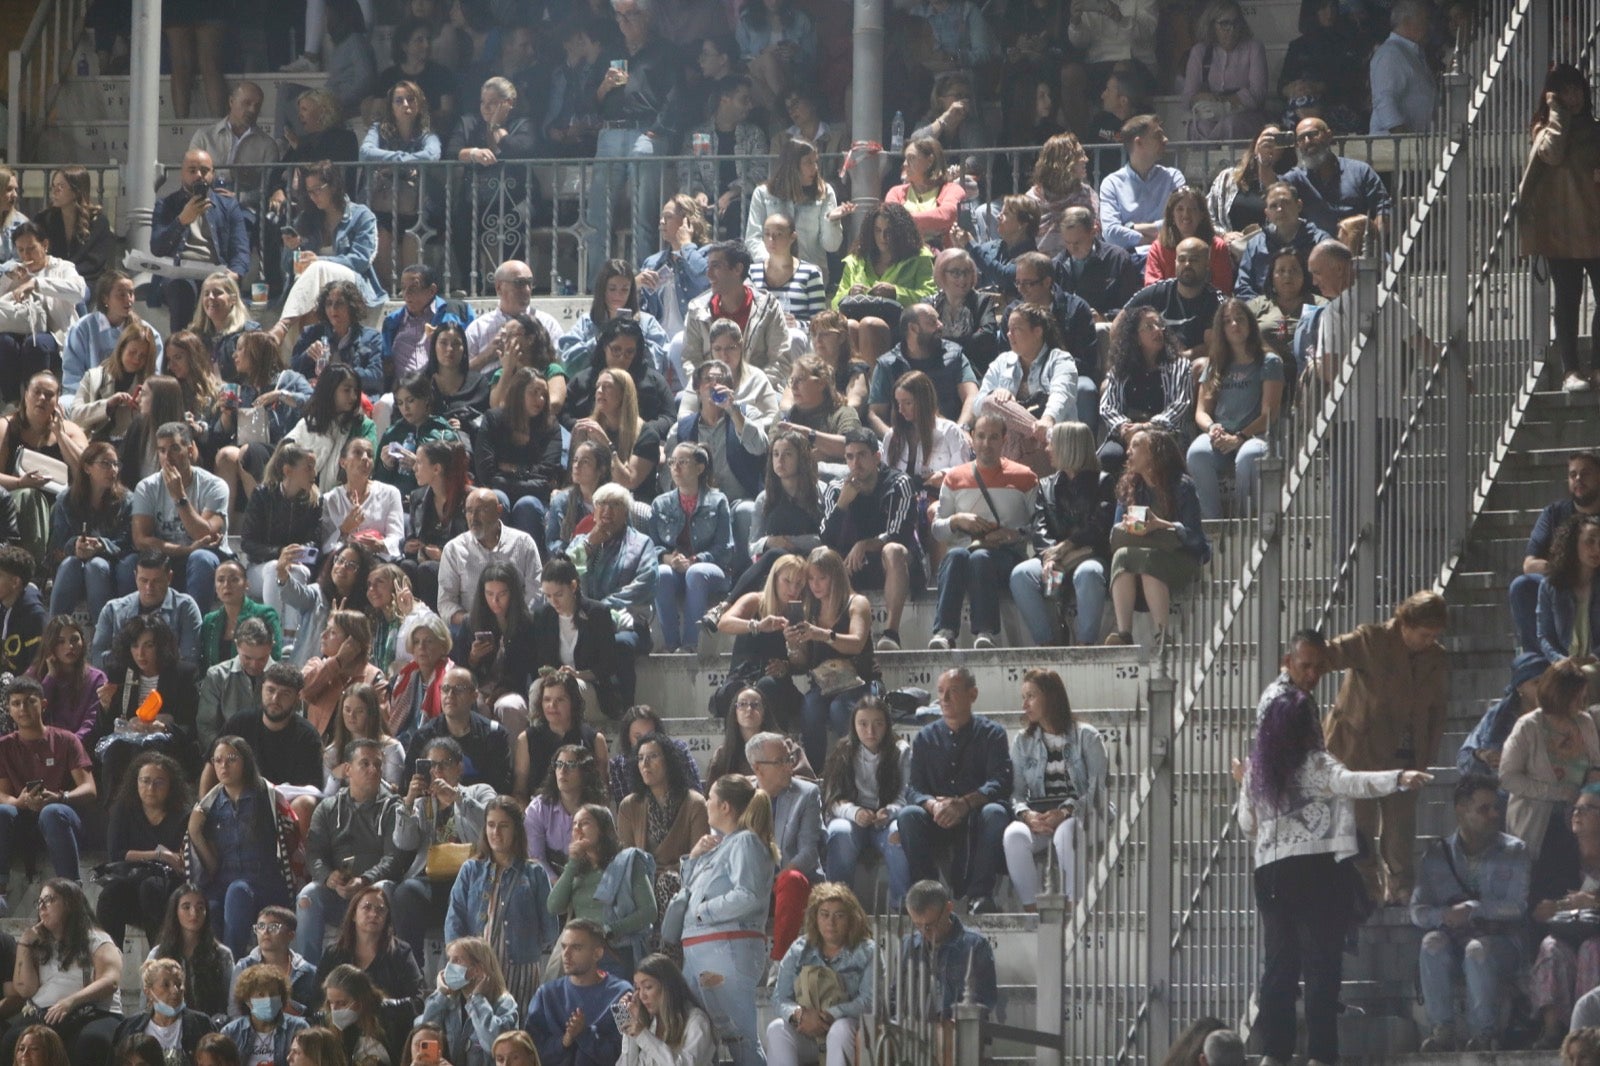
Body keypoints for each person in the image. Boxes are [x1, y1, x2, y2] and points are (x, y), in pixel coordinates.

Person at [1237, 687, 1431, 1066]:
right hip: (1317, 871)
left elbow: (1247, 824)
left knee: (1279, 965)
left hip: (1271, 874)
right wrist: (1399, 778)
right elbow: (1353, 782)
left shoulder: (1256, 770)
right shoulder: (1315, 763)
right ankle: (1320, 1055)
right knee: (1321, 964)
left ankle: (1275, 1053)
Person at [1322, 590, 1449, 902]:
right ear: (1404, 623)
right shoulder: (1372, 640)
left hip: (1406, 750)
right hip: (1359, 748)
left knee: (1401, 825)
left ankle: (1400, 885)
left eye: (1434, 635)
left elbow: (1437, 710)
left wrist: (1428, 754)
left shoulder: (1437, 658)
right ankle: (1367, 887)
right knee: (1361, 821)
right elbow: (1330, 654)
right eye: (1423, 634)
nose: (1429, 641)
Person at [1409, 774, 1529, 1053]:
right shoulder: (1436, 855)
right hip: (1452, 936)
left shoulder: (1514, 851)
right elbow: (1417, 910)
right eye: (1483, 809)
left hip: (1502, 942)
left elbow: (1519, 906)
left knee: (1477, 950)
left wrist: (1475, 910)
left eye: (1495, 807)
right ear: (1461, 810)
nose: (1493, 815)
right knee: (1431, 943)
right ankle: (1441, 1030)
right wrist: (1444, 915)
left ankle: (1484, 1034)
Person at [665, 775, 777, 1066]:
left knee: (738, 1038)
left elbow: (749, 895)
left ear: (725, 806)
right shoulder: (720, 845)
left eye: (711, 797)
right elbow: (691, 890)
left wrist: (704, 911)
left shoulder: (746, 841)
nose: (706, 803)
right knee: (702, 1039)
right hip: (700, 950)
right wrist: (694, 856)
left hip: (727, 950)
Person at [896, 668, 1012, 914]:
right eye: (940, 692)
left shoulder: (993, 734)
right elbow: (914, 789)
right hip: (938, 816)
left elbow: (1000, 782)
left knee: (996, 812)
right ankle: (927, 896)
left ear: (973, 694)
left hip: (975, 815)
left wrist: (965, 803)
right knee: (908, 816)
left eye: (953, 691)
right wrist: (933, 805)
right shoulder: (925, 738)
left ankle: (980, 895)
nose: (944, 699)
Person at [293, 739, 407, 966]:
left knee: (382, 890)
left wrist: (365, 880)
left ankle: (384, 971)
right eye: (364, 763)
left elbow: (394, 858)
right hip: (339, 893)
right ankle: (307, 977)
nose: (373, 769)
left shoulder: (394, 807)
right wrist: (328, 877)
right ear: (347, 769)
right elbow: (314, 853)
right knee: (308, 895)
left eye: (378, 764)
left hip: (375, 889)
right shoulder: (327, 808)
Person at [927, 414, 1037, 649]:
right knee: (957, 555)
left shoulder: (1025, 477)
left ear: (1004, 440)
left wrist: (1012, 534)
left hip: (1006, 555)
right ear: (972, 439)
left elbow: (1039, 526)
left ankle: (986, 633)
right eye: (981, 436)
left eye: (994, 437)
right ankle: (944, 632)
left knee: (980, 557)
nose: (986, 444)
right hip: (963, 553)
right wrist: (957, 520)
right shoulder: (954, 477)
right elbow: (938, 530)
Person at [1523, 64, 1600, 393]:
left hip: (1595, 225)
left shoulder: (1596, 130)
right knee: (1568, 300)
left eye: (1578, 89)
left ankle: (1597, 367)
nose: (1574, 96)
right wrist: (1557, 111)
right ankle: (1570, 369)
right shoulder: (1544, 130)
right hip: (1562, 232)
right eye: (1565, 90)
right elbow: (1552, 155)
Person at [1003, 668, 1106, 909]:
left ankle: (1074, 907)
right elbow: (1016, 792)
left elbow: (1098, 789)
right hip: (1043, 817)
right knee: (1013, 835)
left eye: (1031, 696)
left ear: (1050, 697)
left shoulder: (1087, 737)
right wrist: (1026, 815)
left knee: (1066, 832)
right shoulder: (1023, 741)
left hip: (1084, 815)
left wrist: (1066, 810)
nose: (1024, 705)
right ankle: (1032, 909)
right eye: (1023, 697)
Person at [584, 0, 674, 273]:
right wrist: (604, 86)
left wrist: (658, 129)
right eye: (619, 16)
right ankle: (595, 281)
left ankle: (643, 276)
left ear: (646, 16)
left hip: (646, 131)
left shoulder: (663, 51)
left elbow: (675, 96)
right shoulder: (609, 52)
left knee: (642, 214)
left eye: (631, 15)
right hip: (610, 132)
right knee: (597, 213)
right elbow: (589, 102)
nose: (624, 22)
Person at [188, 735, 297, 954]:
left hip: (263, 883)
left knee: (237, 893)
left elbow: (291, 839)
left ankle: (233, 969)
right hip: (223, 883)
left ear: (245, 761)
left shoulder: (266, 798)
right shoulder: (210, 807)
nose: (223, 766)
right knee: (207, 907)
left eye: (231, 759)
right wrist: (195, 833)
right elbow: (211, 867)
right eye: (217, 760)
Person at [390, 736, 494, 966]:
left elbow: (491, 826)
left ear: (459, 767)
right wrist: (408, 801)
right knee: (405, 892)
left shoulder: (479, 792)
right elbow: (404, 842)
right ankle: (412, 968)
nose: (437, 771)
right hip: (431, 879)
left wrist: (457, 798)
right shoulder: (423, 802)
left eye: (443, 763)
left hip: (469, 878)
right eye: (431, 765)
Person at [444, 796, 555, 1009]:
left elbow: (549, 929)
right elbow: (454, 918)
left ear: (516, 830)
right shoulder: (471, 870)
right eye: (491, 825)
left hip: (521, 970)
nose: (496, 832)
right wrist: (459, 962)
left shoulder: (535, 872)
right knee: (478, 1029)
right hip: (476, 968)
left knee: (516, 1029)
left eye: (504, 826)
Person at [1104, 428, 1209, 646]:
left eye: (1135, 446)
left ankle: (1163, 634)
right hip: (1140, 556)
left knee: (1149, 559)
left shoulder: (1182, 486)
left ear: (1153, 453)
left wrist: (1159, 525)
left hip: (1179, 558)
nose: (1128, 452)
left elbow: (1196, 540)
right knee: (1122, 556)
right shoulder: (1129, 487)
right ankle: (1124, 634)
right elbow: (1115, 532)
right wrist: (1130, 527)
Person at [7, 879, 124, 1064]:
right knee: (12, 1039)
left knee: (91, 1042)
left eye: (49, 900)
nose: (42, 906)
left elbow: (111, 981)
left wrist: (71, 1001)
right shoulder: (39, 942)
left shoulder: (98, 939)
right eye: (39, 901)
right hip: (44, 1014)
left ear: (70, 904)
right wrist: (24, 943)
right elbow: (25, 990)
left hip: (93, 1012)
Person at [0, 678, 95, 904]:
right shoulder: (4, 746)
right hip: (22, 819)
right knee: (3, 812)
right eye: (16, 703)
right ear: (8, 709)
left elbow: (90, 789)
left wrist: (61, 796)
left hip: (62, 816)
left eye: (29, 702)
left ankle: (72, 893)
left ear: (43, 704)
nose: (22, 709)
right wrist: (19, 801)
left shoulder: (65, 740)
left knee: (51, 811)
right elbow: (2, 793)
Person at [1185, 299, 1282, 519]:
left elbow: (1270, 413)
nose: (1235, 325)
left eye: (1240, 319)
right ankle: (1213, 524)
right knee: (1197, 453)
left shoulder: (1269, 362)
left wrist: (1239, 437)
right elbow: (1201, 410)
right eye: (1228, 321)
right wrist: (1212, 428)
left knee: (1247, 457)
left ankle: (1243, 522)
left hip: (1255, 436)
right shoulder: (1215, 363)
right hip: (1220, 435)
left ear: (1250, 324)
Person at [821, 429, 917, 651]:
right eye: (849, 457)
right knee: (824, 558)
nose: (856, 463)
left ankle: (891, 634)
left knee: (893, 549)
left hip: (893, 565)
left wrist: (864, 545)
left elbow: (898, 534)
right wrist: (842, 505)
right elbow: (826, 538)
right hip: (851, 566)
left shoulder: (898, 483)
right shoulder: (836, 489)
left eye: (862, 455)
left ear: (876, 457)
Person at [762, 881, 873, 1066]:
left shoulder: (867, 951)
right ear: (815, 917)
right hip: (807, 1032)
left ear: (851, 919)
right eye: (825, 914)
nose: (831, 922)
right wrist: (799, 1015)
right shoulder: (799, 949)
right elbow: (779, 997)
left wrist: (830, 1015)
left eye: (839, 915)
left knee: (841, 1029)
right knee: (777, 1029)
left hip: (848, 1032)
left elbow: (869, 1001)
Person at [131, 421, 230, 614]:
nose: (167, 457)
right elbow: (141, 540)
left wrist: (179, 497)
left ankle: (195, 630)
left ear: (191, 449)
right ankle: (137, 629)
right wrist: (185, 549)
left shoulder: (215, 486)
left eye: (175, 449)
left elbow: (205, 535)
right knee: (129, 565)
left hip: (208, 556)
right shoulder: (147, 487)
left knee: (200, 558)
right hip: (168, 555)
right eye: (161, 450)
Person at [547, 803, 658, 975]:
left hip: (616, 950)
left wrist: (610, 930)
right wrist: (573, 863)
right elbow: (553, 906)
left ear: (603, 829)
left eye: (584, 823)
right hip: (580, 955)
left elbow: (649, 911)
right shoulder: (577, 871)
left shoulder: (627, 862)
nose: (577, 829)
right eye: (574, 824)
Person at [150, 151, 252, 336]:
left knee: (218, 291)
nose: (199, 175)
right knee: (182, 289)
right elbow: (157, 247)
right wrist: (181, 220)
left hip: (215, 272)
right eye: (192, 170)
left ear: (212, 174)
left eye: (205, 171)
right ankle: (181, 349)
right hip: (179, 273)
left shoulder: (227, 206)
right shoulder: (166, 205)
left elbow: (241, 249)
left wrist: (234, 273)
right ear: (182, 173)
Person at [94, 751, 188, 946]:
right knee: (110, 895)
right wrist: (160, 854)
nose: (150, 788)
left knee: (151, 888)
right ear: (135, 782)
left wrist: (165, 860)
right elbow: (117, 854)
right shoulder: (123, 810)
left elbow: (182, 860)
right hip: (131, 881)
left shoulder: (182, 815)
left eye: (159, 782)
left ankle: (160, 959)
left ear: (171, 786)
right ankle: (110, 962)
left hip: (166, 885)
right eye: (144, 781)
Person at [575, 484, 659, 696]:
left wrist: (599, 608)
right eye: (601, 504)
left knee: (620, 645)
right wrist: (589, 543)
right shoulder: (581, 542)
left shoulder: (641, 543)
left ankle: (624, 708)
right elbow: (563, 574)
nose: (607, 510)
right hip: (584, 623)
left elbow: (646, 583)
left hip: (627, 624)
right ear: (593, 510)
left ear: (626, 511)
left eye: (615, 505)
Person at [747, 731, 823, 963]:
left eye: (789, 758)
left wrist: (777, 879)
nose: (789, 766)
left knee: (791, 880)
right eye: (780, 761)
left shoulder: (807, 793)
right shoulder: (739, 792)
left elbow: (809, 852)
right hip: (752, 882)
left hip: (792, 883)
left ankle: (780, 964)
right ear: (758, 768)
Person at [649, 443, 733, 653]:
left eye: (683, 462)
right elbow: (651, 547)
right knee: (661, 573)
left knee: (695, 573)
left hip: (709, 569)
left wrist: (695, 560)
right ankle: (671, 644)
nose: (676, 468)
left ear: (700, 468)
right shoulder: (660, 504)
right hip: (674, 567)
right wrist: (668, 559)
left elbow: (725, 548)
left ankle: (689, 645)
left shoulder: (717, 500)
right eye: (672, 463)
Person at [360, 81, 441, 286]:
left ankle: (410, 293)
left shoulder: (426, 134)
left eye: (411, 99)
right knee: (382, 235)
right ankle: (388, 291)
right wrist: (406, 160)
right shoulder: (378, 130)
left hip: (416, 208)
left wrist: (392, 165)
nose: (406, 104)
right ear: (391, 106)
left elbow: (432, 155)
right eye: (399, 100)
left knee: (412, 235)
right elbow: (366, 152)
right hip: (383, 203)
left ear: (419, 104)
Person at [1097, 308, 1194, 478]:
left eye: (1159, 325)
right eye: (1149, 326)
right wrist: (1124, 427)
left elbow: (1180, 404)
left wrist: (1146, 427)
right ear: (1135, 337)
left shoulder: (1179, 365)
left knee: (1155, 456)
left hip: (1162, 433)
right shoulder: (1121, 368)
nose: (1158, 330)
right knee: (1109, 456)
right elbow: (1108, 406)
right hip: (1128, 431)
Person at [0, 224, 86, 406]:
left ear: (45, 245)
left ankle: (35, 402)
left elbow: (79, 291)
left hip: (54, 332)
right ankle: (12, 401)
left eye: (31, 248)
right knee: (4, 342)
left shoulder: (62, 267)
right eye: (21, 250)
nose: (26, 255)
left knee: (35, 344)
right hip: (18, 328)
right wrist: (8, 279)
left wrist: (37, 284)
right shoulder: (16, 271)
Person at [526, 920, 631, 1066]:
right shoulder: (546, 994)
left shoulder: (622, 994)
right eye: (563, 947)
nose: (566, 954)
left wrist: (585, 1035)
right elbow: (530, 1051)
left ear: (597, 954)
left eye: (576, 948)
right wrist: (564, 1041)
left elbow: (627, 1053)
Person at [677, 76, 768, 242]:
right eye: (744, 99)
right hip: (705, 204)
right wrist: (698, 194)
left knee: (742, 210)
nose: (750, 105)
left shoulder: (754, 134)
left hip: (739, 201)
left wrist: (731, 194)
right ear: (725, 99)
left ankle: (736, 261)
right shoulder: (699, 135)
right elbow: (687, 170)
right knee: (686, 214)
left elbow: (759, 172)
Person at [449, 563, 538, 730]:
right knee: (476, 705)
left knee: (508, 707)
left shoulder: (527, 624)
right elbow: (460, 668)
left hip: (513, 689)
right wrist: (473, 658)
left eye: (502, 594)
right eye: (489, 594)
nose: (495, 601)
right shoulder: (471, 622)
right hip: (479, 687)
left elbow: (525, 669)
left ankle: (514, 755)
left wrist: (498, 692)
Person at [745, 140, 846, 284]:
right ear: (792, 165)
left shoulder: (824, 192)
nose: (815, 168)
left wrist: (832, 221)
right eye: (808, 162)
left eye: (816, 162)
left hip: (811, 278)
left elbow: (831, 246)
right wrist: (772, 265)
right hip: (771, 277)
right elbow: (753, 238)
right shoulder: (763, 193)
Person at [896, 879, 998, 1022]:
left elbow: (986, 998)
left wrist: (956, 1020)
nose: (925, 932)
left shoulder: (975, 945)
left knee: (947, 1034)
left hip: (959, 1029)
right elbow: (895, 995)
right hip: (915, 1027)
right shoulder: (908, 945)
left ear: (948, 909)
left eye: (930, 925)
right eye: (917, 925)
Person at [403, 664, 513, 795]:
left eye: (459, 689)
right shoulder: (424, 736)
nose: (450, 695)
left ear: (474, 695)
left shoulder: (494, 734)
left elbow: (500, 789)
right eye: (445, 688)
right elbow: (407, 786)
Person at [61, 273, 161, 412]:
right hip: (88, 395)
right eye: (121, 295)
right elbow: (72, 376)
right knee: (64, 404)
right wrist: (95, 400)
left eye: (131, 293)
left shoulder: (148, 333)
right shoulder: (82, 328)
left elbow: (153, 375)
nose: (129, 300)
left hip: (131, 396)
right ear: (105, 298)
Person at [1282, 118, 1393, 241]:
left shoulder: (1360, 171)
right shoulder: (1295, 178)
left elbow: (1383, 209)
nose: (1307, 141)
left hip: (1360, 251)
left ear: (1329, 135)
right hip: (1314, 254)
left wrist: (1372, 244)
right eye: (1301, 138)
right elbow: (1274, 196)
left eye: (1313, 135)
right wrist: (1264, 163)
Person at [558, 262, 670, 382]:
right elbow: (568, 364)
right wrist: (599, 339)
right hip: (594, 387)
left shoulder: (647, 322)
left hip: (638, 387)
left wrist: (636, 338)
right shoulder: (587, 322)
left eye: (624, 289)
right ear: (603, 289)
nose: (618, 295)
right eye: (612, 289)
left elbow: (661, 363)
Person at [1097, 117, 1184, 266]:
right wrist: (1150, 239)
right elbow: (1111, 233)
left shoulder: (1173, 177)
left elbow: (1181, 222)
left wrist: (1131, 227)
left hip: (1167, 258)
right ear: (1139, 143)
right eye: (1158, 135)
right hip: (1127, 261)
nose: (1166, 140)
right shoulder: (1111, 183)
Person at [566, 366, 663, 497]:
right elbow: (574, 478)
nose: (600, 391)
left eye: (607, 386)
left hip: (631, 504)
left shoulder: (647, 435)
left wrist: (606, 443)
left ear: (624, 394)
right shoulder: (586, 429)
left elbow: (629, 482)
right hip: (591, 500)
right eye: (598, 386)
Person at [1180, 0, 1267, 140]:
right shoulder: (1200, 51)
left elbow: (1257, 94)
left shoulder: (1254, 48)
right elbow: (1187, 97)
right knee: (1198, 127)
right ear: (1212, 25)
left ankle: (1219, 156)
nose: (1231, 29)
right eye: (1225, 24)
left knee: (1230, 124)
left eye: (1235, 23)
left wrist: (1224, 102)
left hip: (1245, 115)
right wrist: (1200, 98)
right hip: (1210, 113)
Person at [148, 885, 236, 1018]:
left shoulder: (222, 954)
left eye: (200, 907)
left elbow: (232, 1003)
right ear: (175, 911)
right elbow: (146, 1002)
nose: (194, 913)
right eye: (186, 907)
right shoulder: (158, 954)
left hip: (211, 1028)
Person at [639, 197, 713, 348]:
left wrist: (685, 245)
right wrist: (636, 285)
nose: (661, 222)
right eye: (662, 217)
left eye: (668, 217)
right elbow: (641, 309)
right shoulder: (653, 262)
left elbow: (704, 277)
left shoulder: (708, 254)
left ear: (687, 221)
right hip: (658, 344)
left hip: (693, 343)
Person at [618, 953, 716, 1066]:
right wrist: (630, 1027)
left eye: (648, 987)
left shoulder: (696, 1021)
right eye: (638, 988)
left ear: (668, 987)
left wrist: (643, 1035)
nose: (641, 996)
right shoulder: (652, 1024)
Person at [1234, 183, 1327, 301]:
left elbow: (1331, 285)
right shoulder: (1255, 245)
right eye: (1273, 206)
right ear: (1267, 213)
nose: (1280, 209)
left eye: (1286, 203)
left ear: (1299, 205)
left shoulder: (1320, 242)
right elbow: (1243, 288)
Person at [1052, 207, 1142, 328]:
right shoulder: (1058, 264)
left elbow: (1132, 306)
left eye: (1078, 242)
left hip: (1108, 328)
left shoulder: (1118, 259)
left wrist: (1103, 317)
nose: (1073, 249)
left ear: (1093, 232)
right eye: (1068, 243)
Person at [113, 956, 217, 1061]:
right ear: (148, 992)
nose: (175, 990)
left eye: (178, 984)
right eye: (166, 985)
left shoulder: (201, 1025)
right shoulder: (130, 1028)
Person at [834, 204, 936, 309]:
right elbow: (835, 303)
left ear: (901, 232)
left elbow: (931, 296)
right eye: (878, 230)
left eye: (889, 231)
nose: (883, 237)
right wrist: (849, 293)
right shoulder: (855, 259)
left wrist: (896, 293)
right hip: (857, 321)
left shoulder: (919, 257)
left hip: (901, 322)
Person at [26, 617, 104, 745]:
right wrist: (50, 678)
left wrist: (69, 746)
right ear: (50, 644)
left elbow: (91, 722)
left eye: (75, 639)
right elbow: (31, 715)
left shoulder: (96, 678)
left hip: (79, 747)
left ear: (83, 642)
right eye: (60, 641)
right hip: (40, 745)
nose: (70, 646)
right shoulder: (34, 674)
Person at [1142, 188, 1233, 296]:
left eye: (1192, 209)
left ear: (1202, 215)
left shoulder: (1217, 247)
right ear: (1172, 215)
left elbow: (1223, 289)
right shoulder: (1158, 248)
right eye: (1180, 209)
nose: (1186, 215)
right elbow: (1152, 290)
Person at [35, 168, 113, 290]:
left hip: (85, 281)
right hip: (51, 280)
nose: (54, 191)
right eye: (53, 186)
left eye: (61, 186)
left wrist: (67, 276)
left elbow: (95, 264)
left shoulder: (98, 222)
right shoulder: (43, 219)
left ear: (76, 191)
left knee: (75, 296)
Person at [1368, 1, 1436, 135]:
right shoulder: (1390, 53)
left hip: (1414, 144)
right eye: (1424, 20)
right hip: (1394, 147)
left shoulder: (1411, 53)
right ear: (1407, 22)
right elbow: (1384, 100)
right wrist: (1401, 137)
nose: (1429, 26)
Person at [1539, 515, 1600, 663]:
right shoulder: (1550, 585)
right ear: (1573, 543)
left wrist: (1591, 659)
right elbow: (1545, 635)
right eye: (1590, 541)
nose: (1597, 549)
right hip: (1565, 666)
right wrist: (1560, 661)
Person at [218, 965, 308, 1064]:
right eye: (261, 994)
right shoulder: (231, 1032)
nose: (268, 999)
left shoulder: (298, 1028)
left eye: (273, 994)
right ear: (247, 1000)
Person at [884, 138, 964, 247]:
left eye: (911, 158)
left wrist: (904, 221)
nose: (905, 164)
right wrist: (930, 225)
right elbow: (890, 218)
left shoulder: (952, 190)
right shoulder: (896, 192)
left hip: (940, 258)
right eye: (905, 159)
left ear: (930, 161)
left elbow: (946, 215)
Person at [317, 966, 391, 1066]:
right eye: (331, 1003)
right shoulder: (326, 1024)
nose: (334, 1010)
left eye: (341, 1003)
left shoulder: (388, 1018)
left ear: (360, 1000)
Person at [0, 547, 43, 676]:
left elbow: (38, 666)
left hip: (22, 689)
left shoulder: (35, 617)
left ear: (15, 582)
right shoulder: (4, 605)